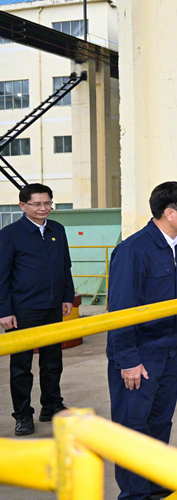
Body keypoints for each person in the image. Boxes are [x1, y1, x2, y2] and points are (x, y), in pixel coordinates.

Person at [107, 181, 177, 500]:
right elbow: (119, 311)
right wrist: (128, 360)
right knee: (133, 426)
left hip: (168, 349)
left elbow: (174, 299)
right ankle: (134, 495)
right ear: (169, 212)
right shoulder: (134, 250)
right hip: (139, 355)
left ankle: (155, 484)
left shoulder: (176, 245)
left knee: (159, 422)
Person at [0, 184, 74, 436]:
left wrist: (67, 297)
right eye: (37, 204)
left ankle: (51, 405)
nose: (44, 209)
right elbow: (2, 275)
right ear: (23, 206)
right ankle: (22, 415)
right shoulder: (10, 234)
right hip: (23, 310)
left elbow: (65, 266)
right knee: (21, 366)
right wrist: (4, 311)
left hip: (53, 307)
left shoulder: (58, 230)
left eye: (47, 203)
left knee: (52, 361)